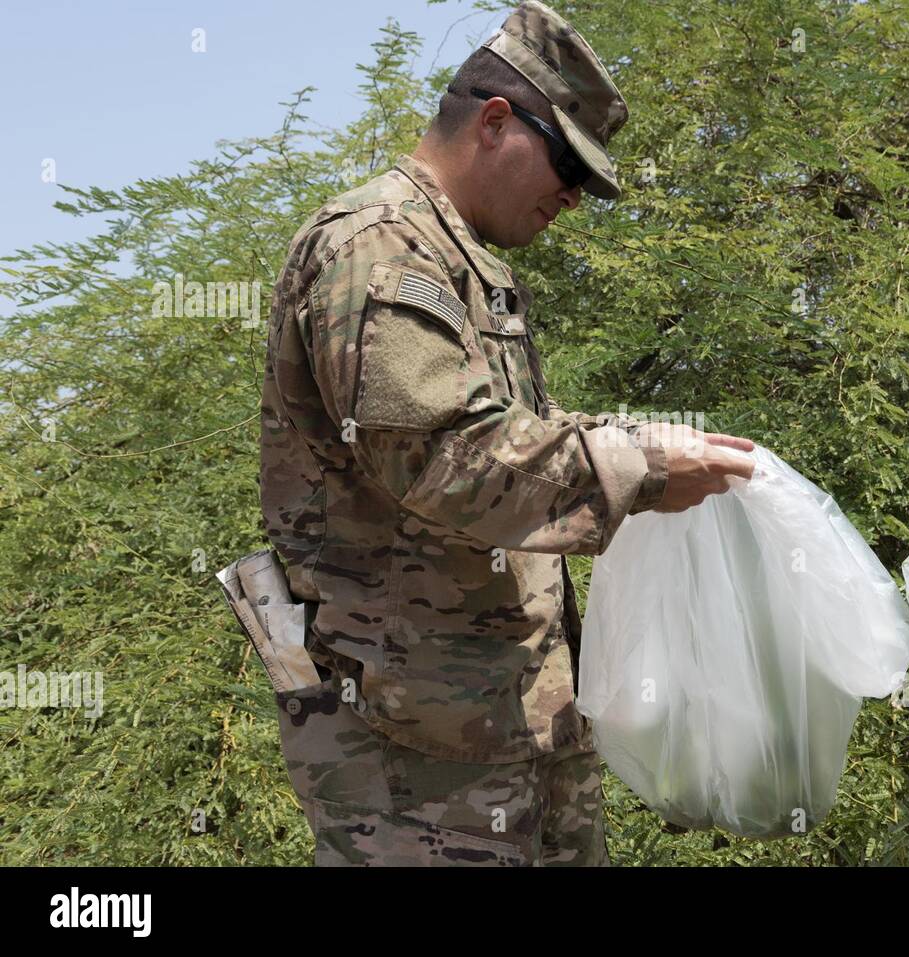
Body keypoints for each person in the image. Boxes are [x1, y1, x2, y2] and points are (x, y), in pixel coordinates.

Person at [256, 0, 754, 865]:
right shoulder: (380, 250)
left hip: (499, 729)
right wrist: (636, 464)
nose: (572, 194)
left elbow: (502, 440)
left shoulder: (458, 260)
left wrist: (635, 450)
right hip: (416, 768)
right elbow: (446, 456)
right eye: (567, 163)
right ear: (494, 121)